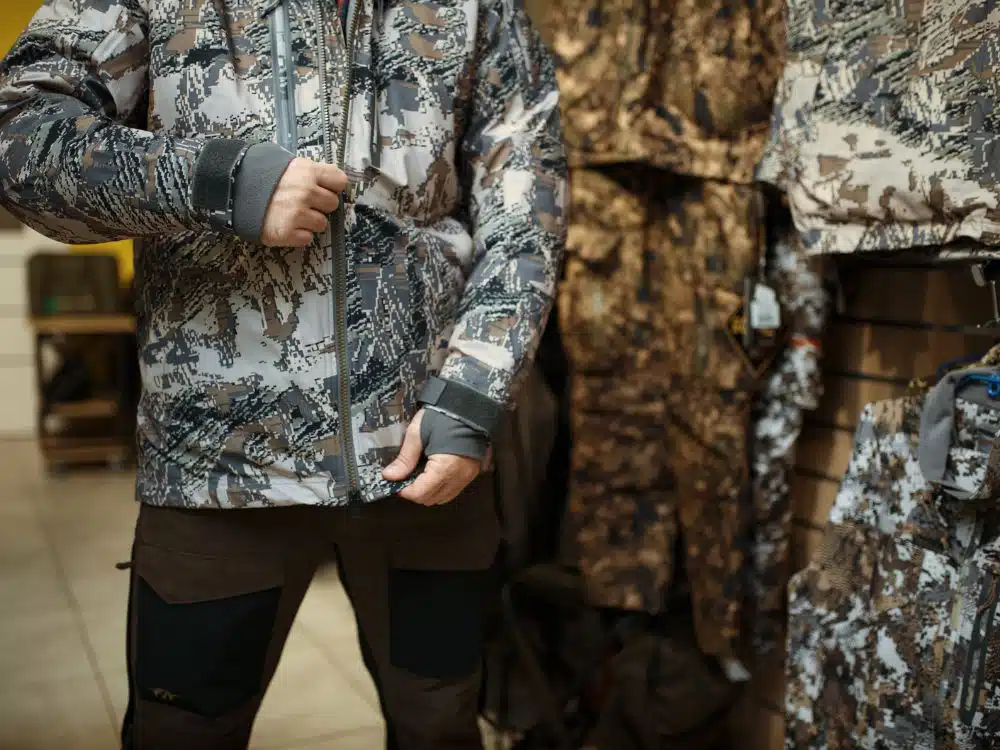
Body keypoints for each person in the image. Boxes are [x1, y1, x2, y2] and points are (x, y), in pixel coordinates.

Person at [0, 0, 566, 747]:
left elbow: (527, 204)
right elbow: (19, 136)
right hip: (216, 460)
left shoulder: (476, 9)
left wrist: (475, 390)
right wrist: (215, 181)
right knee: (183, 733)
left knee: (441, 724)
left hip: (425, 459)